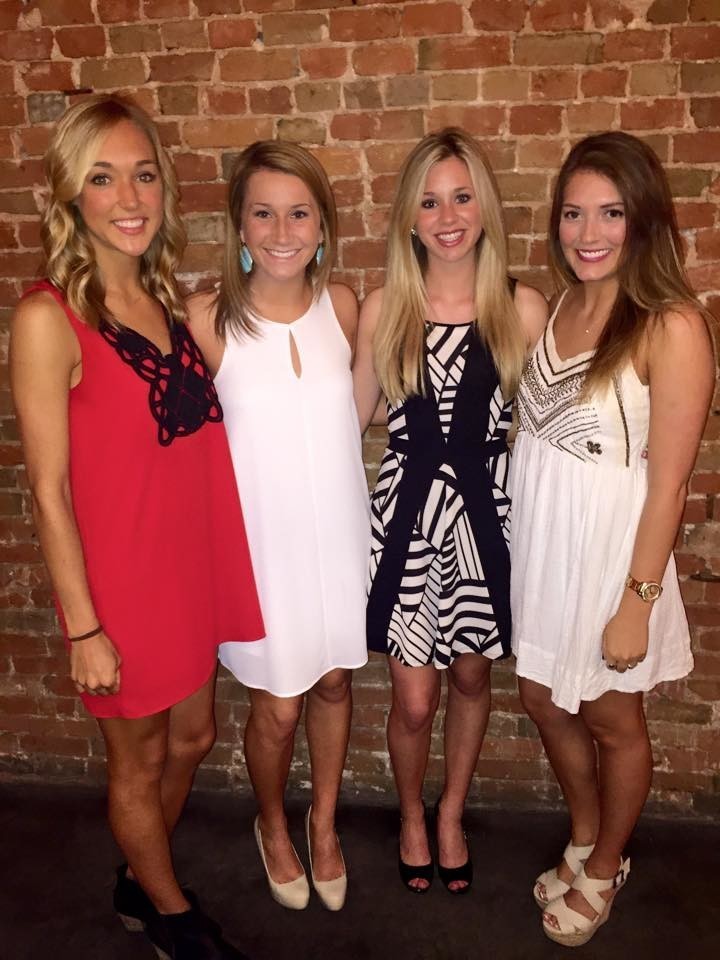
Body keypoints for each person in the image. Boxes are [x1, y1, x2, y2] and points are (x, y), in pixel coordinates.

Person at [9, 94, 264, 960]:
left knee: (194, 736)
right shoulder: (47, 319)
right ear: (70, 194)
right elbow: (48, 490)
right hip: (118, 587)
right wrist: (84, 628)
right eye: (103, 178)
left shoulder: (163, 299)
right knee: (139, 760)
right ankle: (170, 912)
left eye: (144, 175)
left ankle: (138, 875)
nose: (129, 197)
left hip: (187, 570)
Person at [510, 131, 715, 946]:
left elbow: (668, 483)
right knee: (540, 697)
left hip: (612, 555)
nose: (588, 233)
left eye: (611, 213)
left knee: (611, 719)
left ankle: (604, 864)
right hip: (545, 547)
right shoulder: (561, 304)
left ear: (645, 220)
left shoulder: (672, 324)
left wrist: (637, 603)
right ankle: (588, 833)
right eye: (573, 213)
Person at [352, 128, 548, 894]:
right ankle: (410, 813)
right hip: (407, 520)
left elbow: (548, 430)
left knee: (470, 679)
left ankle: (451, 814)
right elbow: (348, 423)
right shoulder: (384, 308)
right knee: (414, 698)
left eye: (462, 197)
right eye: (430, 202)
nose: (448, 216)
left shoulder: (522, 308)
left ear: (485, 205)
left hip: (485, 522)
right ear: (409, 215)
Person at [188, 141, 369, 912]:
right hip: (260, 550)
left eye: (299, 213)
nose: (282, 231)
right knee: (279, 706)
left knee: (333, 682)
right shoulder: (206, 319)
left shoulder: (345, 306)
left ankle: (323, 823)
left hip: (337, 536)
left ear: (323, 225)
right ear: (239, 225)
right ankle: (271, 822)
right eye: (263, 213)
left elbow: (353, 419)